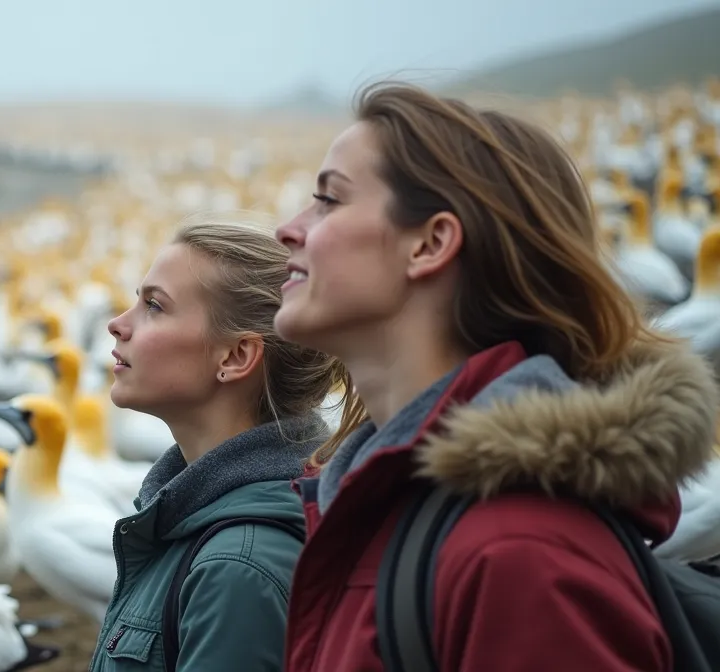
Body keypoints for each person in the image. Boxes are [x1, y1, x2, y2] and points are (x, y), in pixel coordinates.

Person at [273, 81, 720, 671]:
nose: (289, 228)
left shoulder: (518, 554)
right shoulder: (378, 509)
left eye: (328, 200)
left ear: (430, 244)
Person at [88, 215, 341, 671]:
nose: (118, 325)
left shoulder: (238, 569)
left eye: (155, 306)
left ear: (236, 356)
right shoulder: (197, 517)